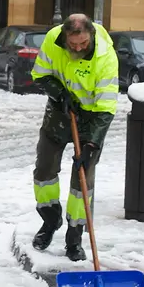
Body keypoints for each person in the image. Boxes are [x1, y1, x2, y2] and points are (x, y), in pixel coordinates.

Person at [30, 14, 119, 261]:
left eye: (83, 44)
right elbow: (40, 74)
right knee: (44, 171)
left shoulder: (105, 57)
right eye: (73, 44)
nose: (78, 48)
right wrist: (59, 93)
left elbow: (107, 105)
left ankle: (74, 237)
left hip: (92, 120)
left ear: (90, 34)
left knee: (82, 182)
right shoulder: (52, 40)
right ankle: (50, 220)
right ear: (64, 37)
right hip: (60, 113)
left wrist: (92, 144)